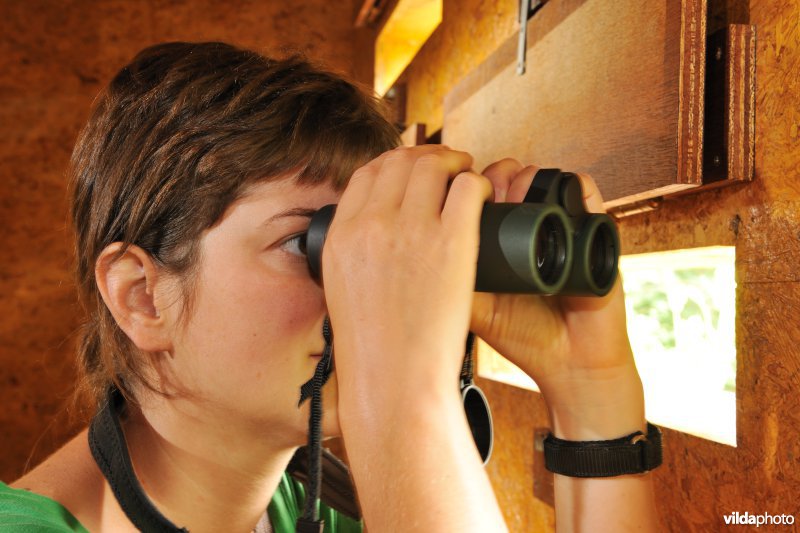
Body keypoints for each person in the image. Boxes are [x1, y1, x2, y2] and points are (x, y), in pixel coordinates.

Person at [1, 41, 659, 532]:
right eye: (310, 242)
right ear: (142, 297)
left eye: (370, 238)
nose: (359, 282)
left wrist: (591, 392)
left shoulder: (327, 510)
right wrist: (402, 388)